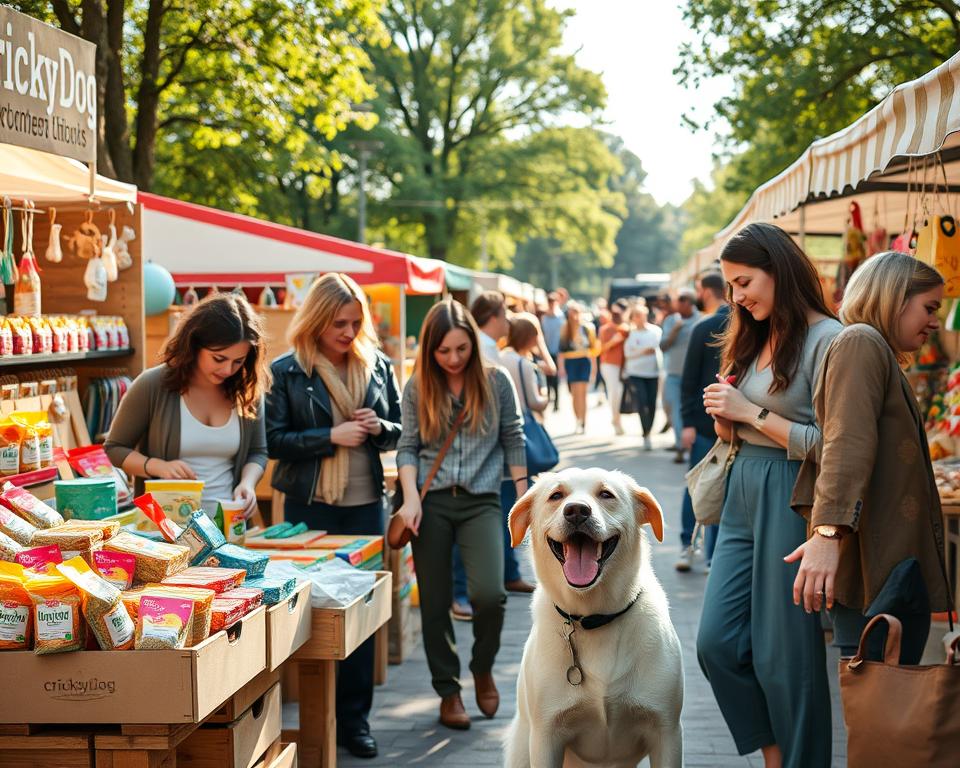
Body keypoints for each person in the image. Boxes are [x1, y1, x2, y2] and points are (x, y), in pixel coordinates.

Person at [696, 222, 841, 768]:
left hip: (790, 490)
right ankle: (776, 754)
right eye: (731, 286)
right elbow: (743, 423)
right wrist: (726, 417)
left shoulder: (829, 339)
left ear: (778, 270)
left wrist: (751, 413)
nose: (737, 297)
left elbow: (834, 446)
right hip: (741, 488)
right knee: (715, 643)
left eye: (745, 282)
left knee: (788, 656)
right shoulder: (753, 335)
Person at [786, 251, 951, 663]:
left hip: (889, 568)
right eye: (929, 308)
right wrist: (828, 533)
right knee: (878, 690)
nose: (934, 322)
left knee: (885, 686)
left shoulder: (870, 347)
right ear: (895, 298)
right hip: (876, 571)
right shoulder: (861, 342)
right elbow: (846, 443)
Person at [265, 273, 401, 759]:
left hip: (366, 507)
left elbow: (401, 430)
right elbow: (273, 441)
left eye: (355, 323)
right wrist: (329, 437)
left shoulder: (378, 364)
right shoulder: (287, 371)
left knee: (359, 616)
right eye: (338, 323)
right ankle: (313, 717)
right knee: (312, 612)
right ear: (317, 320)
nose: (348, 332)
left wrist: (379, 427)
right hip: (310, 507)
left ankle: (355, 721)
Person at [393, 299, 526, 730]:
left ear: (473, 341)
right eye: (444, 351)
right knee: (434, 603)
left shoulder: (496, 380)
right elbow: (408, 446)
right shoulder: (418, 386)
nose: (453, 359)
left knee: (490, 594)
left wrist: (524, 499)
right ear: (430, 349)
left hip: (481, 500)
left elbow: (513, 438)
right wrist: (410, 499)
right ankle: (448, 691)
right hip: (430, 503)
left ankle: (482, 667)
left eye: (461, 349)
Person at [105, 293, 269, 518]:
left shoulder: (246, 389)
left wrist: (247, 484)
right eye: (219, 358)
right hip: (167, 530)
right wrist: (157, 466)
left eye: (238, 361)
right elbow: (114, 449)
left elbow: (257, 452)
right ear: (194, 344)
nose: (228, 370)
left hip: (230, 526)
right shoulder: (152, 384)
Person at [676, 272, 728, 572]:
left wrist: (687, 422)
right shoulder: (708, 326)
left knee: (698, 485)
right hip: (718, 425)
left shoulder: (704, 326)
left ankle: (695, 548)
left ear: (706, 291)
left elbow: (688, 380)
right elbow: (691, 380)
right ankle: (704, 553)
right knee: (707, 486)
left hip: (707, 423)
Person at [498, 313, 553, 593]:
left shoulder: (499, 357)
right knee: (512, 506)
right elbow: (535, 402)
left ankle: (506, 570)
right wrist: (546, 397)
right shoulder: (524, 364)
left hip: (498, 441)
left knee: (502, 506)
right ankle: (511, 572)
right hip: (520, 437)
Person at [660, 288, 700, 463]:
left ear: (688, 303)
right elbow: (663, 346)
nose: (676, 305)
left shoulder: (701, 320)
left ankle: (691, 447)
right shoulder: (671, 321)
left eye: (680, 302)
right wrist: (675, 331)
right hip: (674, 375)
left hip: (694, 377)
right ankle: (680, 446)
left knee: (693, 412)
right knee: (675, 412)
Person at [621, 302, 661, 450]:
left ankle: (649, 430)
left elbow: (656, 347)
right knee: (642, 402)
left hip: (653, 373)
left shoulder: (655, 331)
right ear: (632, 318)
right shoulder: (630, 334)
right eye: (637, 316)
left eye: (642, 315)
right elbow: (628, 354)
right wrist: (643, 351)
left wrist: (638, 351)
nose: (640, 318)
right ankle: (646, 433)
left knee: (651, 403)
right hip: (635, 373)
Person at [558, 302, 598, 435]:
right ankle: (577, 420)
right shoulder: (565, 328)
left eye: (575, 313)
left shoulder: (588, 328)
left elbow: (593, 350)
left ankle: (583, 421)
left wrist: (594, 368)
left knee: (583, 393)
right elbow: (561, 350)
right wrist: (561, 368)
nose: (573, 316)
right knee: (575, 394)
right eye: (571, 314)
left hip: (584, 361)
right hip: (571, 361)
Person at [598, 300, 630, 435]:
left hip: (623, 364)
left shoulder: (625, 328)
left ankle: (616, 418)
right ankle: (616, 419)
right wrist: (615, 340)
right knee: (614, 391)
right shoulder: (606, 329)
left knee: (619, 391)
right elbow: (602, 348)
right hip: (609, 364)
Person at [540, 292, 565, 410]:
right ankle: (550, 398)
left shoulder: (560, 317)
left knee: (556, 378)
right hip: (547, 351)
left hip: (557, 351)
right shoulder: (544, 318)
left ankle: (557, 402)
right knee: (548, 377)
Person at [470, 291, 510, 363]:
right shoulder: (482, 348)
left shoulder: (486, 346)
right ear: (493, 319)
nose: (508, 320)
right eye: (504, 315)